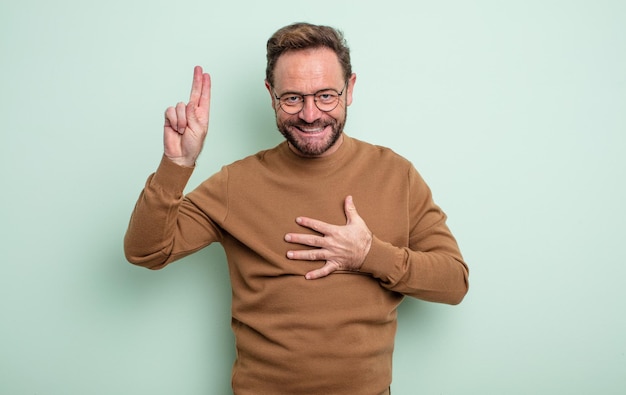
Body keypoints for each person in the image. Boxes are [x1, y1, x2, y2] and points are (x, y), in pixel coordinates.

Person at [124, 22, 469, 395]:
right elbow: (145, 251)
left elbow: (454, 282)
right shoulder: (235, 183)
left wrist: (369, 254)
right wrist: (176, 165)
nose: (309, 114)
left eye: (325, 96)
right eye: (292, 98)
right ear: (271, 95)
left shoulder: (395, 175)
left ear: (350, 89)